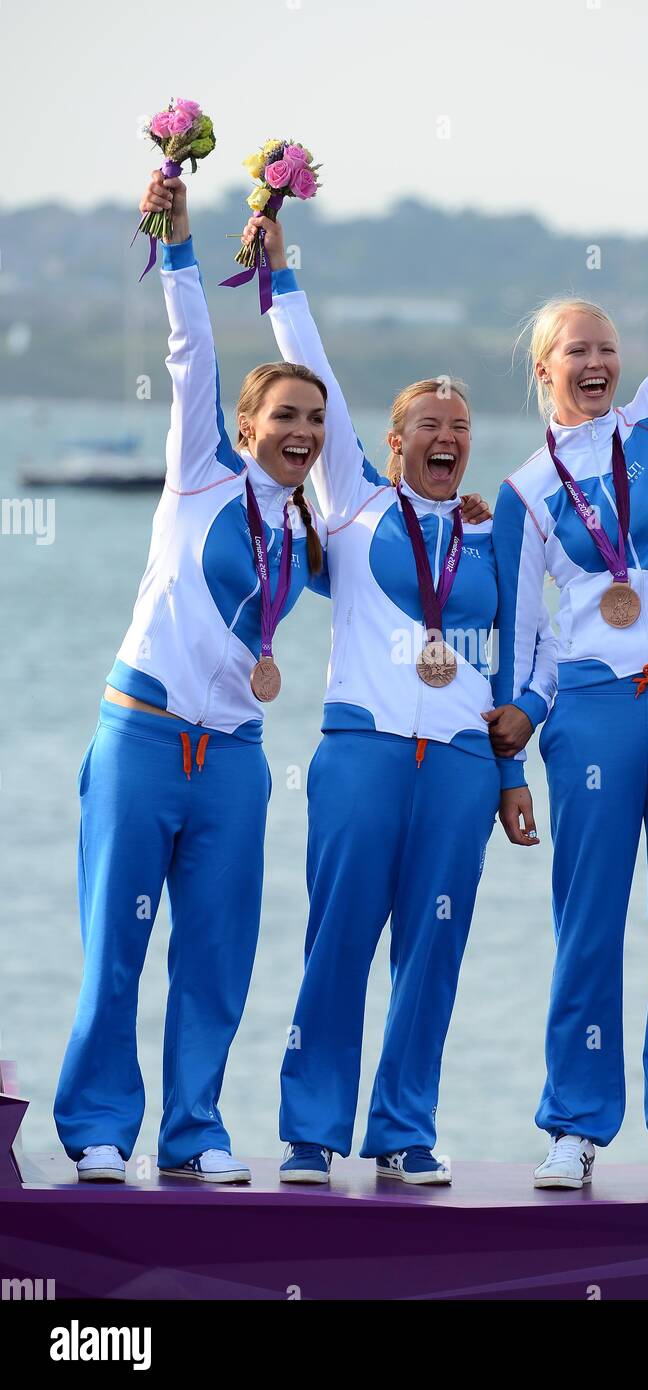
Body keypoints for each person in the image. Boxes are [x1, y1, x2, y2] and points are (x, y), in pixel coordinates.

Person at [240, 213, 556, 1184]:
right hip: (362, 754)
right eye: (430, 427)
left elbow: (530, 652)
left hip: (461, 767)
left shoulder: (494, 528)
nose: (448, 439)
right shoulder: (352, 503)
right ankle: (307, 1134)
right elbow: (315, 369)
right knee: (337, 941)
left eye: (460, 430)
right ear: (389, 442)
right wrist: (280, 273)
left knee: (433, 953)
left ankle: (404, 1131)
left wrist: (517, 753)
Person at [490, 124, 648, 1191]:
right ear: (546, 372)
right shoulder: (520, 494)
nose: (597, 363)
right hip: (591, 715)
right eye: (577, 353)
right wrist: (508, 769)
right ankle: (574, 1127)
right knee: (587, 923)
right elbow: (514, 647)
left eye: (606, 348)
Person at [53, 171, 329, 1184]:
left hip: (237, 764)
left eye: (313, 419)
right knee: (114, 949)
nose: (302, 431)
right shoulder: (201, 475)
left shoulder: (310, 526)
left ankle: (194, 1130)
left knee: (215, 956)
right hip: (141, 741)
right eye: (284, 416)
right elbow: (190, 355)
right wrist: (177, 244)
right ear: (247, 426)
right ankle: (95, 1127)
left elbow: (405, 570)